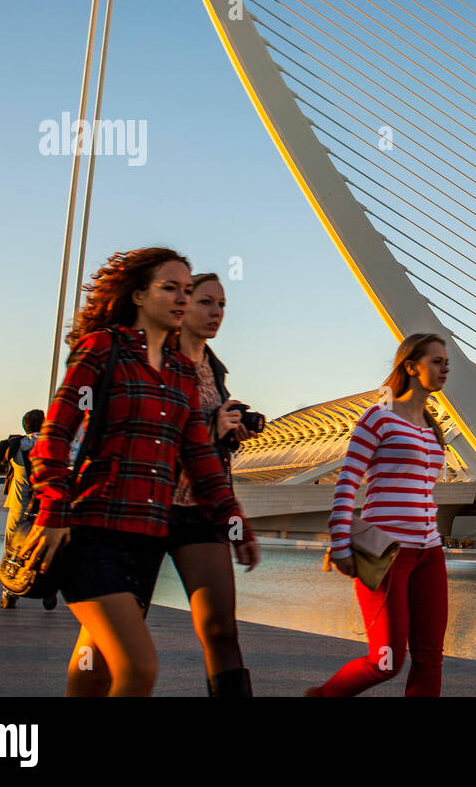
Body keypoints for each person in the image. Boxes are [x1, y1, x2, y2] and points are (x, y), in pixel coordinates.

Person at [23, 247, 259, 697]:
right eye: (170, 288)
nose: (182, 300)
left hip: (146, 537)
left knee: (96, 669)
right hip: (93, 533)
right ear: (137, 295)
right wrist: (53, 510)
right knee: (138, 667)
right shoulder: (102, 350)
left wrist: (235, 522)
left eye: (187, 291)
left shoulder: (180, 374)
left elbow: (201, 460)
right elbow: (53, 435)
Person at [306, 333, 450, 698]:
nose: (444, 367)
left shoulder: (434, 429)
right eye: (436, 360)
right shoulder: (379, 418)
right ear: (411, 366)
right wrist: (340, 545)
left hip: (429, 552)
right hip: (385, 551)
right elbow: (348, 482)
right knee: (386, 661)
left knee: (430, 657)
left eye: (446, 361)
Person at [164, 272, 258, 697]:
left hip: (202, 509)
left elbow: (210, 451)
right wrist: (211, 425)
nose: (216, 312)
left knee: (221, 630)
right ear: (181, 307)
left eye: (221, 304)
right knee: (111, 642)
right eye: (206, 302)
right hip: (147, 506)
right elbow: (151, 433)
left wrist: (229, 429)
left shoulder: (214, 368)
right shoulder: (154, 359)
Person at [0, 409, 54, 610]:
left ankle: (10, 592)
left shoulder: (17, 446)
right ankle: (48, 591)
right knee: (45, 548)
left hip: (20, 503)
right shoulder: (52, 444)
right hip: (44, 503)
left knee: (12, 548)